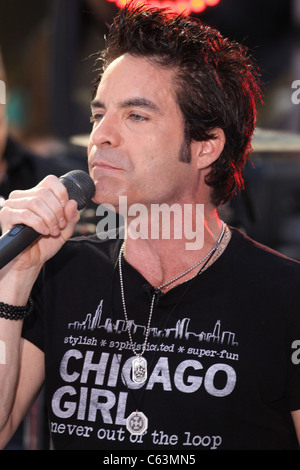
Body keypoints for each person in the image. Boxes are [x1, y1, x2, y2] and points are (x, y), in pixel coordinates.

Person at [0, 3, 299, 451]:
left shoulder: (285, 295)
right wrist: (16, 278)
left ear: (205, 147)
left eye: (136, 116)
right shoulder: (60, 273)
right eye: (98, 114)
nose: (102, 135)